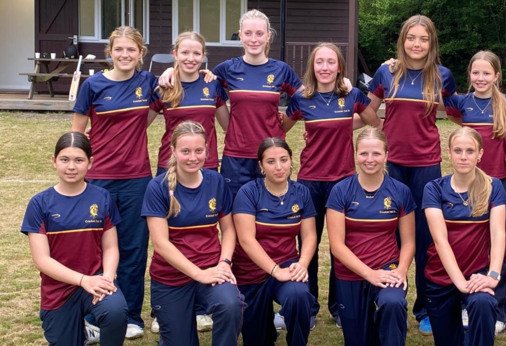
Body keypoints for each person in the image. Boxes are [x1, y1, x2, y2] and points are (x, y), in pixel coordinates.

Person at [366, 14, 456, 335]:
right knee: (390, 233)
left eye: (423, 39)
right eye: (410, 38)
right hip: (392, 166)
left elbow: (463, 111)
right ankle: (391, 297)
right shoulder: (386, 72)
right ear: (402, 40)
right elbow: (366, 109)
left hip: (427, 166)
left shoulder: (442, 76)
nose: (416, 44)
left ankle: (426, 309)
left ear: (431, 44)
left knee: (426, 237)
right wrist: (383, 128)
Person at [282, 42, 380, 327]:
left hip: (344, 181)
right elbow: (279, 129)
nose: (325, 67)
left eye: (331, 62)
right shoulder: (301, 98)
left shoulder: (352, 95)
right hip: (310, 181)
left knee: (342, 246)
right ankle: (308, 306)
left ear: (340, 67)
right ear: (312, 67)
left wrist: (343, 123)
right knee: (308, 246)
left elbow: (373, 122)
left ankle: (340, 306)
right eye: (319, 62)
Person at [70, 25, 156, 339]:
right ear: (110, 52)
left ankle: (131, 316)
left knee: (133, 249)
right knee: (93, 249)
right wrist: (77, 171)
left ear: (140, 54)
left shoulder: (148, 82)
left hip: (136, 179)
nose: (124, 55)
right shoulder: (92, 85)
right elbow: (77, 136)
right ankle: (95, 314)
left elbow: (170, 93)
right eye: (119, 49)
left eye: (131, 50)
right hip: (99, 179)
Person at [160, 9, 301, 198]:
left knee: (271, 212)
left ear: (268, 36)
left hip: (271, 153)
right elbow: (197, 78)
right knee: (234, 212)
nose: (254, 39)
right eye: (248, 33)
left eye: (259, 34)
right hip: (236, 156)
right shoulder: (227, 69)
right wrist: (171, 70)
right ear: (240, 35)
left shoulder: (281, 70)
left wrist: (285, 124)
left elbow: (305, 98)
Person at [141, 121, 243, 345]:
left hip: (212, 270)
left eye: (199, 150)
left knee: (231, 305)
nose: (192, 157)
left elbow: (228, 229)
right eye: (185, 151)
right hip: (171, 277)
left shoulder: (215, 181)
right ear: (173, 151)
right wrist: (198, 274)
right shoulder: (158, 188)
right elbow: (161, 244)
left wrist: (224, 262)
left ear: (207, 150)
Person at [21, 132, 128, 345]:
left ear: (90, 163)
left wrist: (106, 278)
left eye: (79, 160)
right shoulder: (39, 203)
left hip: (96, 282)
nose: (71, 167)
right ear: (54, 162)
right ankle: (80, 331)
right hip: (59, 291)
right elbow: (42, 260)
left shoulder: (102, 197)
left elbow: (111, 247)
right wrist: (83, 280)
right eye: (65, 159)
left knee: (116, 311)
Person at [443, 50, 506, 334]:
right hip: (467, 181)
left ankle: (502, 311)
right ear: (469, 75)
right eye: (475, 73)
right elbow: (437, 91)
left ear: (496, 76)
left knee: (501, 248)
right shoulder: (461, 103)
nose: (480, 78)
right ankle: (470, 303)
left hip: (497, 182)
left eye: (486, 73)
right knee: (469, 245)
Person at [326, 126, 415, 346]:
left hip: (388, 269)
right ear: (355, 154)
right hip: (350, 273)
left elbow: (409, 241)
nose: (370, 159)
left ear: (386, 155)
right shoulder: (340, 190)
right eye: (364, 153)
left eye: (376, 153)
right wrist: (369, 274)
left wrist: (401, 270)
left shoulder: (400, 191)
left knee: (393, 303)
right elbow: (337, 246)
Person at [422, 127, 506, 346]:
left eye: (470, 151)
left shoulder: (493, 186)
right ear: (449, 152)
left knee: (483, 303)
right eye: (457, 150)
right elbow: (440, 240)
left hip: (477, 278)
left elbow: (498, 234)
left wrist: (493, 275)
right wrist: (460, 283)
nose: (463, 156)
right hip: (440, 278)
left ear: (480, 154)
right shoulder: (434, 188)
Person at [232, 137, 317, 346]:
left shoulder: (301, 192)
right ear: (261, 166)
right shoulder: (248, 193)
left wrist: (302, 264)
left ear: (291, 161)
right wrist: (274, 270)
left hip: (287, 265)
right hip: (251, 271)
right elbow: (246, 239)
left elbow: (309, 235)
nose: (279, 167)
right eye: (271, 162)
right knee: (258, 340)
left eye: (283, 159)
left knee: (299, 296)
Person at [150, 31, 229, 177]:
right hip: (171, 163)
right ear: (175, 54)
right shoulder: (165, 85)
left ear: (203, 55)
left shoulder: (212, 84)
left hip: (206, 162)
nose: (191, 59)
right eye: (185, 52)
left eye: (197, 53)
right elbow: (139, 125)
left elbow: (228, 126)